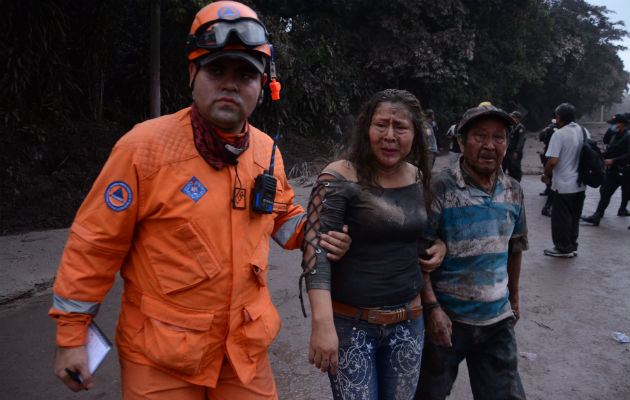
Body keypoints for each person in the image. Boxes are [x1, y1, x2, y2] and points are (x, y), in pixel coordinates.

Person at [48, 2, 351, 398]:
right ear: (193, 74)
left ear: (264, 86)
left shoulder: (265, 151)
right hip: (160, 358)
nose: (230, 84)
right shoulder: (143, 149)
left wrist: (320, 234)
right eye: (216, 70)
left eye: (245, 74)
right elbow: (94, 244)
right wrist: (72, 336)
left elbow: (280, 218)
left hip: (243, 354)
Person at [301, 89, 447, 400]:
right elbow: (315, 248)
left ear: (416, 134)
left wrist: (439, 247)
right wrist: (322, 324)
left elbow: (417, 235)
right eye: (381, 125)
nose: (390, 135)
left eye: (401, 127)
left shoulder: (420, 177)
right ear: (367, 128)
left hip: (409, 322)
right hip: (351, 325)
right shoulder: (338, 176)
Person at [415, 104, 528, 400]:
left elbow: (515, 247)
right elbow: (420, 251)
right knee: (428, 394)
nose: (490, 145)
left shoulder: (514, 190)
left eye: (499, 137)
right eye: (480, 136)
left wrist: (513, 299)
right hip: (448, 320)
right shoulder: (440, 187)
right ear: (462, 142)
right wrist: (432, 309)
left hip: (497, 321)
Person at [541, 103, 587, 257]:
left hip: (563, 184)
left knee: (561, 218)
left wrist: (545, 175)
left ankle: (562, 248)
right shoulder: (584, 131)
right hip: (580, 184)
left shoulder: (559, 134)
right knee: (574, 217)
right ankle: (572, 245)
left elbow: (553, 161)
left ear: (558, 117)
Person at [581, 113, 630, 226]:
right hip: (614, 171)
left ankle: (621, 210)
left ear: (622, 124)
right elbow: (610, 150)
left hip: (626, 172)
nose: (612, 126)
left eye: (614, 124)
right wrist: (600, 156)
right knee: (605, 192)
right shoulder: (615, 136)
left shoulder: (628, 136)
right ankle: (597, 216)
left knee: (627, 195)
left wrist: (614, 161)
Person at [538, 119, 557, 216]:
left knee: (551, 179)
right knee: (552, 180)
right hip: (551, 155)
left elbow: (541, 138)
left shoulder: (551, 129)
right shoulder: (558, 131)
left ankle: (548, 206)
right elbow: (541, 137)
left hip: (550, 154)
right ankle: (548, 205)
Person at [502, 111, 526, 181]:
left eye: (514, 117)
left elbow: (521, 141)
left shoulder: (520, 128)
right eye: (512, 117)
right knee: (505, 166)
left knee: (515, 168)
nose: (513, 119)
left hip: (515, 151)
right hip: (507, 150)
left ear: (518, 119)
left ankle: (517, 183)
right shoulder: (509, 126)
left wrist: (517, 151)